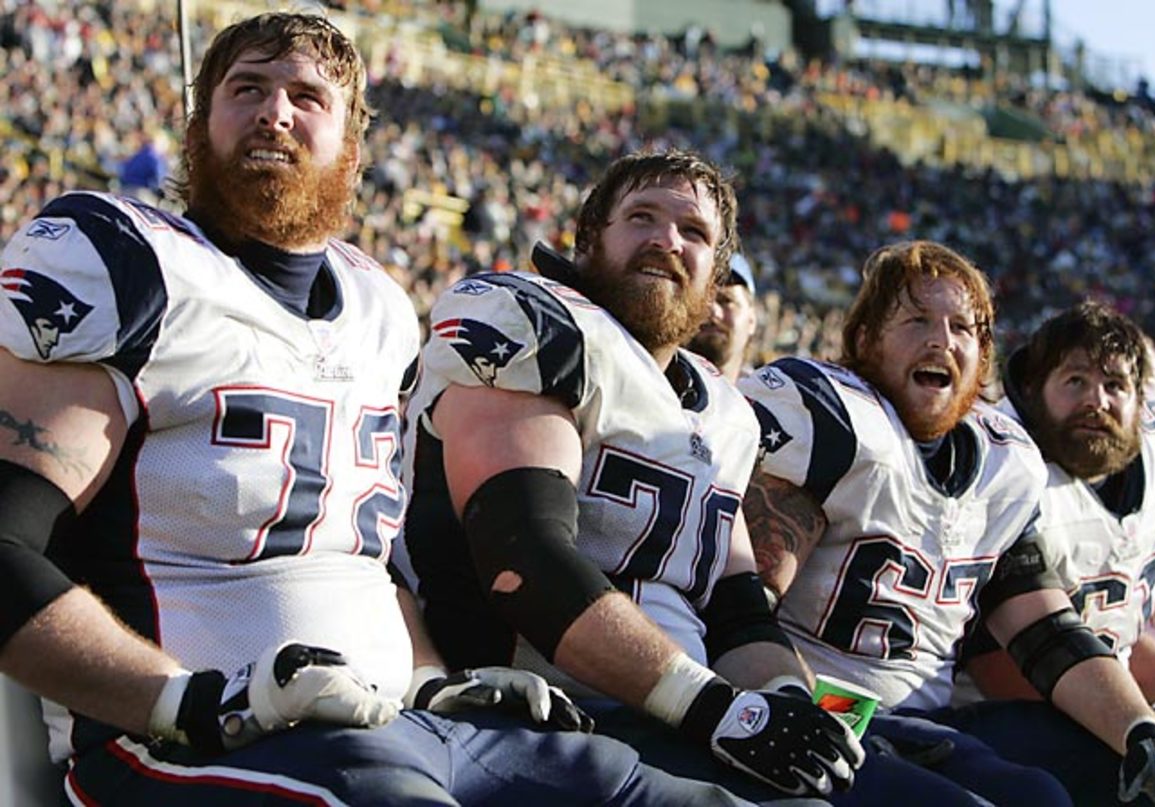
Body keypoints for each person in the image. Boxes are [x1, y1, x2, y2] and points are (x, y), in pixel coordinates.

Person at [0, 13, 746, 805]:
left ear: (353, 144)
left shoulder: (379, 307)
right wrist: (194, 699)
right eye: (246, 88)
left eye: (306, 97)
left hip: (396, 721)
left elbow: (365, 556)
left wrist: (427, 681)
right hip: (178, 738)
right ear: (200, 122)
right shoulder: (129, 265)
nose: (275, 112)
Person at [398, 149, 865, 803]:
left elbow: (737, 611)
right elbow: (523, 557)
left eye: (694, 232)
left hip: (681, 719)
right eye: (641, 217)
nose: (666, 240)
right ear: (588, 241)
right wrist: (717, 710)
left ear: (714, 278)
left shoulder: (727, 411)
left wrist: (791, 706)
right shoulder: (534, 319)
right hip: (535, 711)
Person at [737, 240, 1155, 805]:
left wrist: (1139, 728)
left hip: (933, 720)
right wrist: (844, 720)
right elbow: (741, 615)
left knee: (1115, 776)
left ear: (984, 354)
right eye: (917, 320)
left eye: (962, 328)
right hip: (803, 714)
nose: (941, 340)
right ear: (865, 338)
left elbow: (1046, 632)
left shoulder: (1005, 461)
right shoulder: (831, 422)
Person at [952, 301, 1155, 804]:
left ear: (1141, 400)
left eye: (1115, 386)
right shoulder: (1006, 470)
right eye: (1075, 382)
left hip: (1113, 703)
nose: (1097, 401)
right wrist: (1128, 722)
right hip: (999, 709)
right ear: (1031, 391)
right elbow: (1001, 665)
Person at [687, 251, 758, 381]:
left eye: (726, 301)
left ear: (752, 320)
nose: (712, 311)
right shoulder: (650, 390)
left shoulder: (769, 399)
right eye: (701, 300)